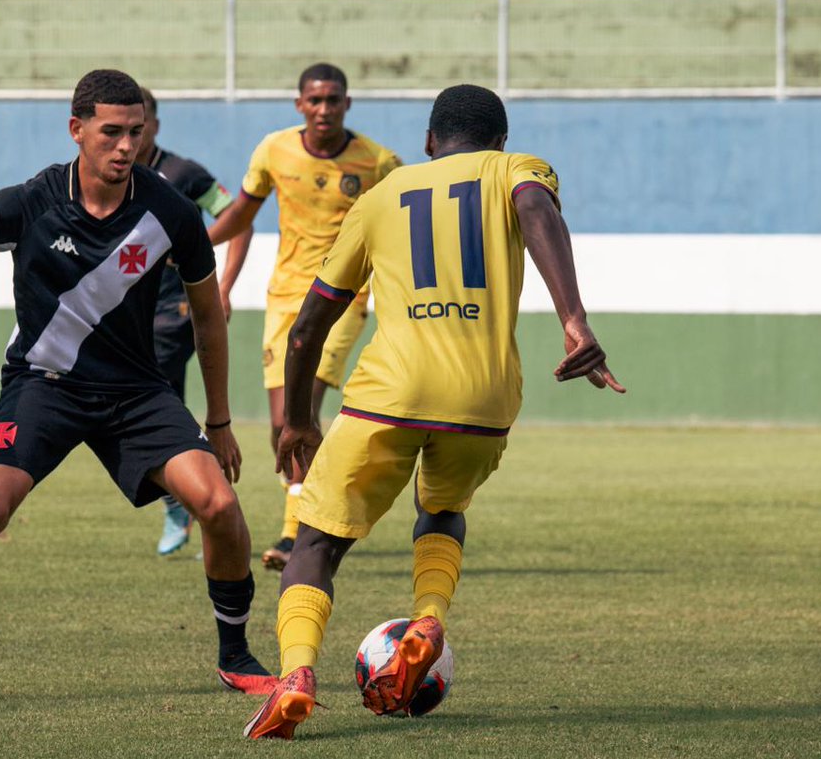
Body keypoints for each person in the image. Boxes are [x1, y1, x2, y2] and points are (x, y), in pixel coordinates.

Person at [0, 69, 273, 708]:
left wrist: (222, 420)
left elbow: (208, 318)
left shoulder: (170, 210)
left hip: (136, 394)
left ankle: (235, 655)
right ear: (78, 130)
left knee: (222, 508)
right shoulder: (33, 200)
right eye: (112, 133)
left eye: (136, 133)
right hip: (44, 384)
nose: (126, 147)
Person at [243, 84, 626, 739]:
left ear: (428, 141)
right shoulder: (517, 169)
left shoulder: (378, 197)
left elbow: (308, 327)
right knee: (442, 508)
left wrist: (299, 418)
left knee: (315, 542)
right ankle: (427, 614)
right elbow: (536, 208)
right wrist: (574, 321)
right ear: (500, 140)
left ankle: (297, 674)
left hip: (387, 394)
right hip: (483, 394)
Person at [207, 62, 402, 572]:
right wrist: (186, 245)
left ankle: (298, 533)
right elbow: (241, 216)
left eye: (333, 100)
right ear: (300, 105)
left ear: (347, 104)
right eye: (314, 100)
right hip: (286, 298)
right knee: (280, 426)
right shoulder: (274, 150)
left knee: (302, 409)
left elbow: (408, 223)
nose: (323, 109)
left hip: (343, 300)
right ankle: (309, 511)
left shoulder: (378, 162)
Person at [136, 87, 247, 556]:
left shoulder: (181, 173)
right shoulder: (106, 178)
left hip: (176, 311)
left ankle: (196, 508)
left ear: (155, 126)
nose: (129, 138)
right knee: (161, 408)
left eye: (139, 125)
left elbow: (238, 218)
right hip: (128, 316)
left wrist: (221, 285)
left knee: (161, 408)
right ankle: (190, 506)